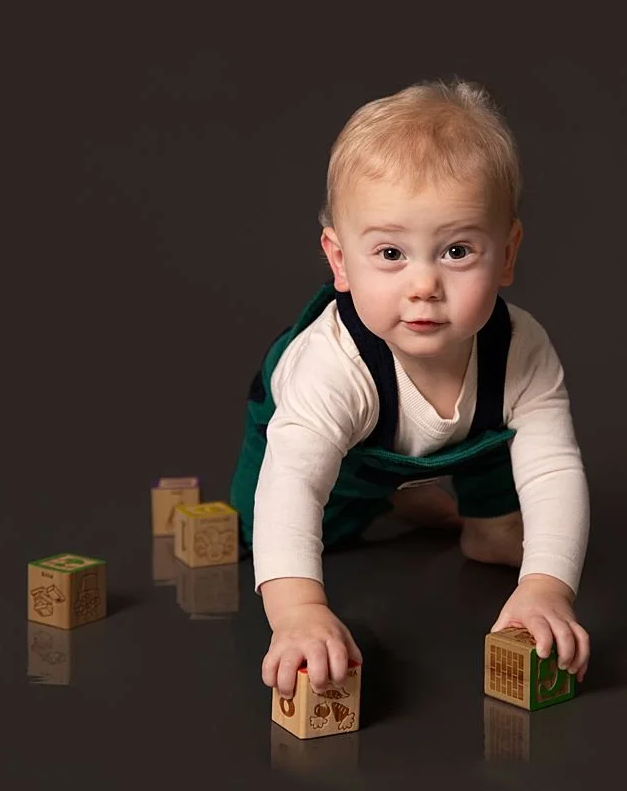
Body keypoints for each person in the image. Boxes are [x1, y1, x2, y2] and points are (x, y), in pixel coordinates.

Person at [229, 76, 591, 701]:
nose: (424, 285)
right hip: (314, 438)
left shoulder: (522, 349)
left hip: (450, 434)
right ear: (340, 261)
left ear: (507, 254)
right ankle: (388, 495)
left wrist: (547, 586)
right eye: (391, 253)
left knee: (498, 439)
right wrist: (298, 613)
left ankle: (483, 523)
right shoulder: (331, 367)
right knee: (280, 520)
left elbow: (553, 469)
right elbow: (292, 487)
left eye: (456, 251)